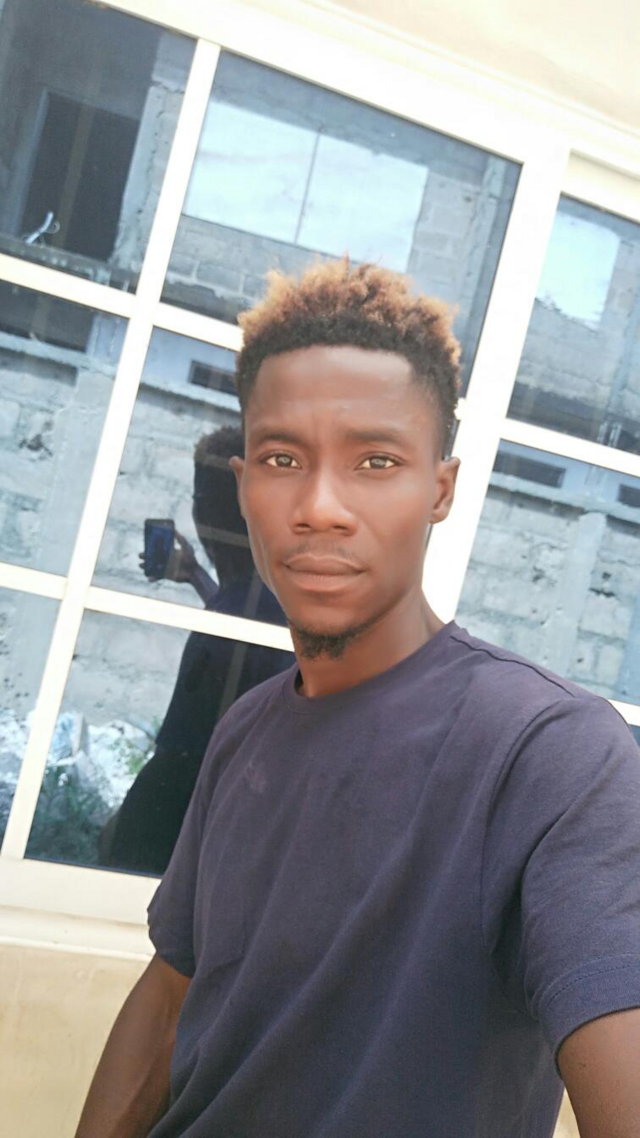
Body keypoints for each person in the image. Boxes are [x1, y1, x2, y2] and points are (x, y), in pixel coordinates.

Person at [75, 260, 640, 1138]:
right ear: (245, 484)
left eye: (376, 461)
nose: (320, 506)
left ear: (439, 491)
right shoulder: (246, 732)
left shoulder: (550, 751)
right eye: (282, 459)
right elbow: (169, 998)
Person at [101, 425, 292, 875]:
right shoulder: (256, 597)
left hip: (181, 801)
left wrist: (131, 820)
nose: (201, 513)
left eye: (207, 500)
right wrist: (194, 576)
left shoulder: (258, 605)